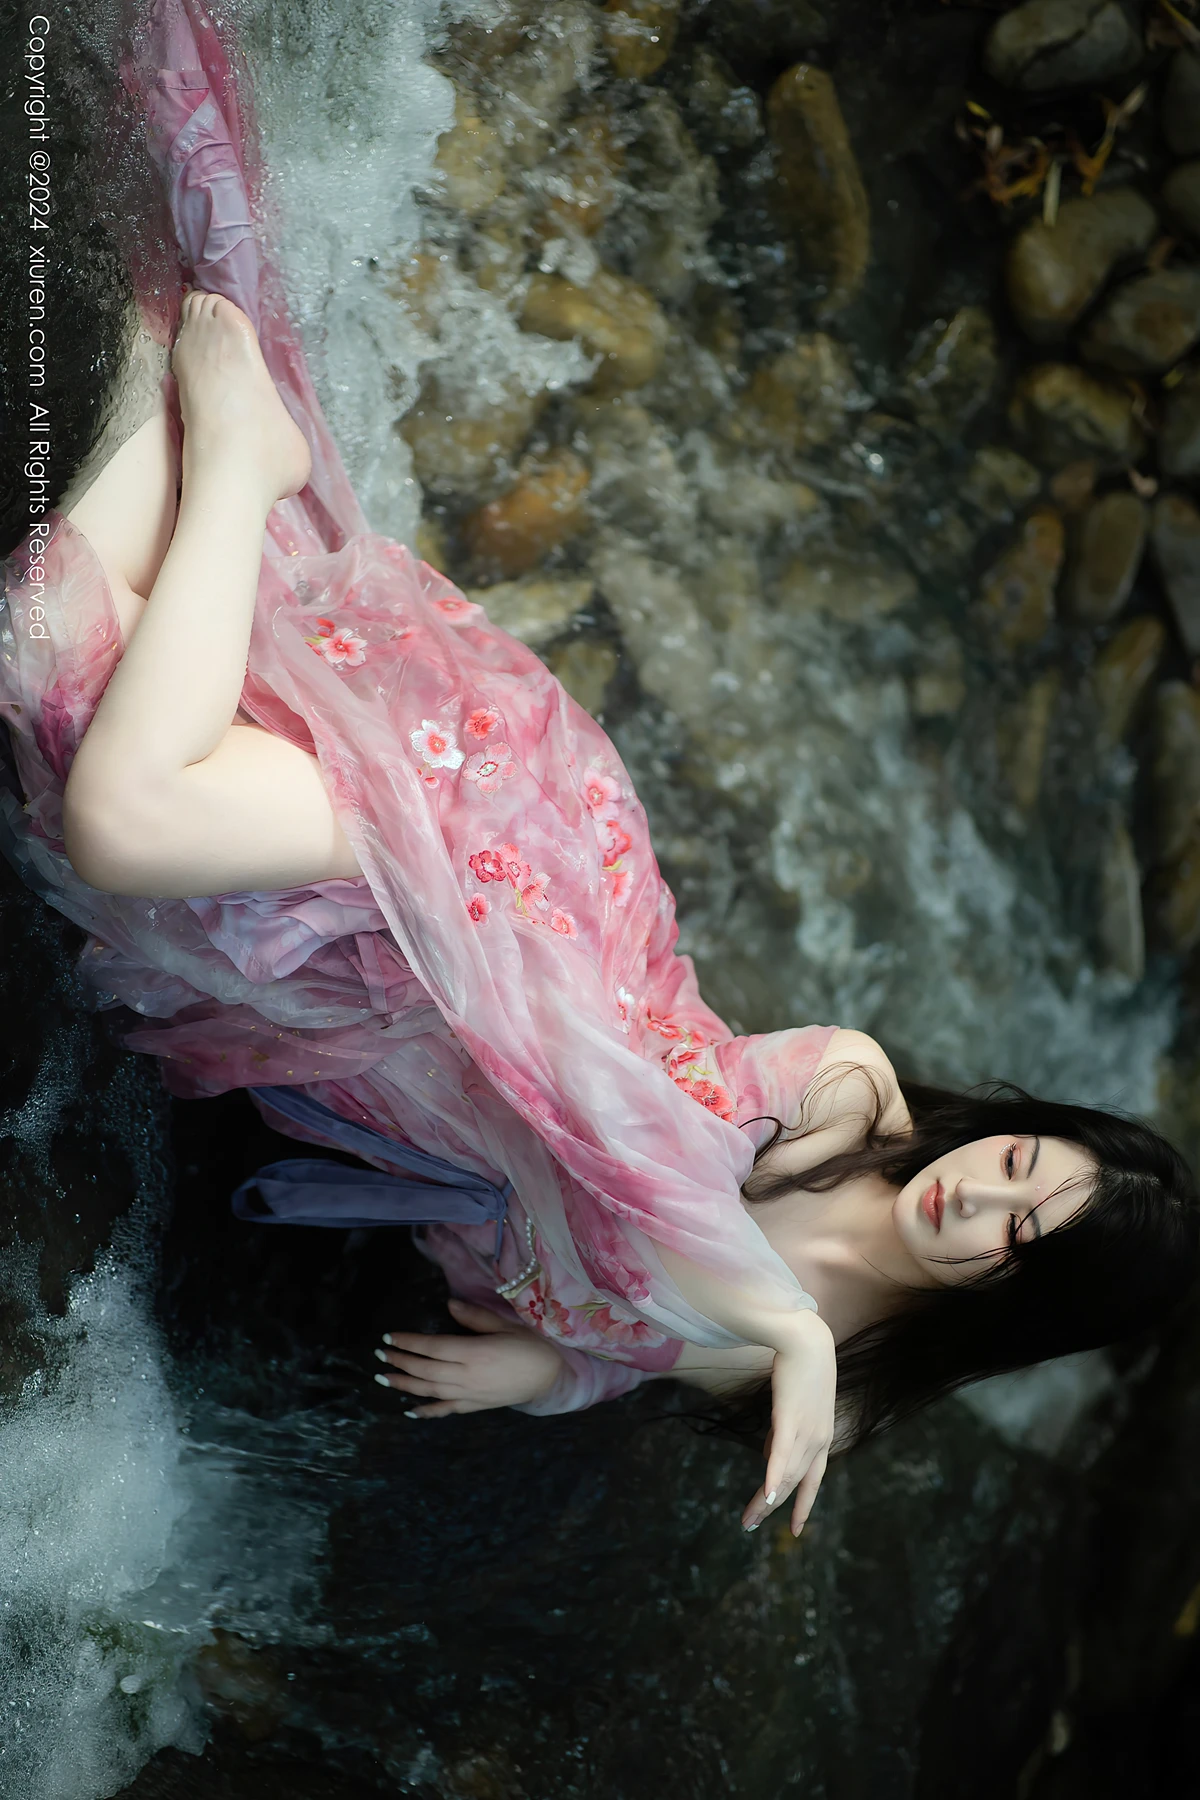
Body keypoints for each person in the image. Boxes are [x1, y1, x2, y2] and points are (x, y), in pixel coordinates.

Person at [2, 0, 1195, 1545]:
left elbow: (632, 1339)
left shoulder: (789, 1370)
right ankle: (242, 462)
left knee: (56, 648)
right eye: (1022, 1164)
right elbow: (619, 1119)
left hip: (395, 1046)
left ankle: (175, 447)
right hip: (501, 887)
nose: (978, 1198)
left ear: (1012, 1305)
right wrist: (791, 1331)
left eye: (1017, 1239)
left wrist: (541, 1373)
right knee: (120, 811)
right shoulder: (845, 1099)